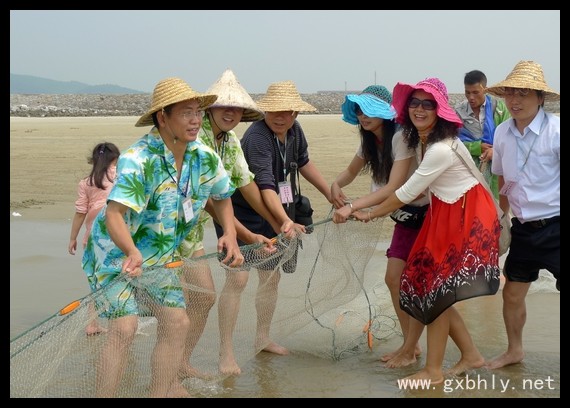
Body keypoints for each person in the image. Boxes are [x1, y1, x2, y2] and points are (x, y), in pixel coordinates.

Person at [81, 77, 244, 398]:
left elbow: (222, 196)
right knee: (124, 327)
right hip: (114, 253)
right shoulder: (139, 159)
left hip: (160, 257)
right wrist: (131, 251)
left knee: (177, 323)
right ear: (162, 118)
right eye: (185, 113)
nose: (195, 120)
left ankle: (161, 392)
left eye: (198, 112)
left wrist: (230, 233)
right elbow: (114, 215)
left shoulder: (204, 157)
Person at [333, 77, 501, 384]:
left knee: (436, 293)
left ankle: (433, 371)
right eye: (414, 103)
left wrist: (368, 213)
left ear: (440, 111)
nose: (419, 109)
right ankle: (468, 356)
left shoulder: (439, 149)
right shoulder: (424, 143)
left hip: (465, 218)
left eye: (428, 104)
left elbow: (405, 192)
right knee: (434, 292)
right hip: (445, 213)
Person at [177, 69, 289, 377]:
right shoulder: (195, 137)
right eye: (224, 106)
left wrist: (277, 222)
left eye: (237, 107)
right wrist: (247, 234)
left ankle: (179, 365)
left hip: (190, 231)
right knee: (174, 306)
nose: (230, 112)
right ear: (209, 108)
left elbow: (245, 184)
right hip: (164, 230)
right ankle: (170, 373)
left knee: (202, 297)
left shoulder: (229, 141)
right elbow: (210, 200)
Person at [216, 80, 332, 358]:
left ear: (296, 113)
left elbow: (303, 162)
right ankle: (226, 350)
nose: (280, 117)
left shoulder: (295, 131)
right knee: (238, 280)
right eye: (273, 111)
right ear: (264, 111)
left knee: (271, 277)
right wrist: (284, 222)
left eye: (286, 111)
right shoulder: (257, 137)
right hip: (240, 212)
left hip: (274, 209)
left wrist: (331, 195)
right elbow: (265, 185)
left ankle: (262, 338)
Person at [330, 84, 428, 367]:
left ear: (385, 113)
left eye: (369, 110)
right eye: (359, 111)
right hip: (402, 215)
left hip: (424, 215)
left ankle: (411, 348)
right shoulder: (369, 140)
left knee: (420, 284)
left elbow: (393, 187)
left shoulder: (401, 137)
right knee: (393, 279)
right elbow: (351, 171)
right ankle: (410, 345)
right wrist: (335, 185)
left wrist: (354, 206)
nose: (363, 116)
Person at [484, 61, 560, 369]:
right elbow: (502, 177)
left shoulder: (556, 130)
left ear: (540, 97)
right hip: (524, 228)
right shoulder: (502, 132)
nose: (515, 100)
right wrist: (502, 218)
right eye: (510, 93)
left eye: (523, 94)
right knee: (512, 294)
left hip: (557, 225)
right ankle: (514, 350)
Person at [68, 142, 120, 335]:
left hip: (92, 240)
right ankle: (118, 322)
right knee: (118, 280)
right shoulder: (120, 176)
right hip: (117, 237)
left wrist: (72, 238)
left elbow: (80, 212)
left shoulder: (86, 183)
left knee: (96, 281)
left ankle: (92, 323)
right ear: (115, 159)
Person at [455, 70, 511, 198]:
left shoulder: (500, 109)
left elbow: (509, 137)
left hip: (499, 170)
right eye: (467, 92)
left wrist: (495, 151)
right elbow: (454, 143)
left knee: (498, 203)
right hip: (470, 172)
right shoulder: (458, 113)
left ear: (485, 89)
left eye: (475, 92)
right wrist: (476, 147)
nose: (471, 97)